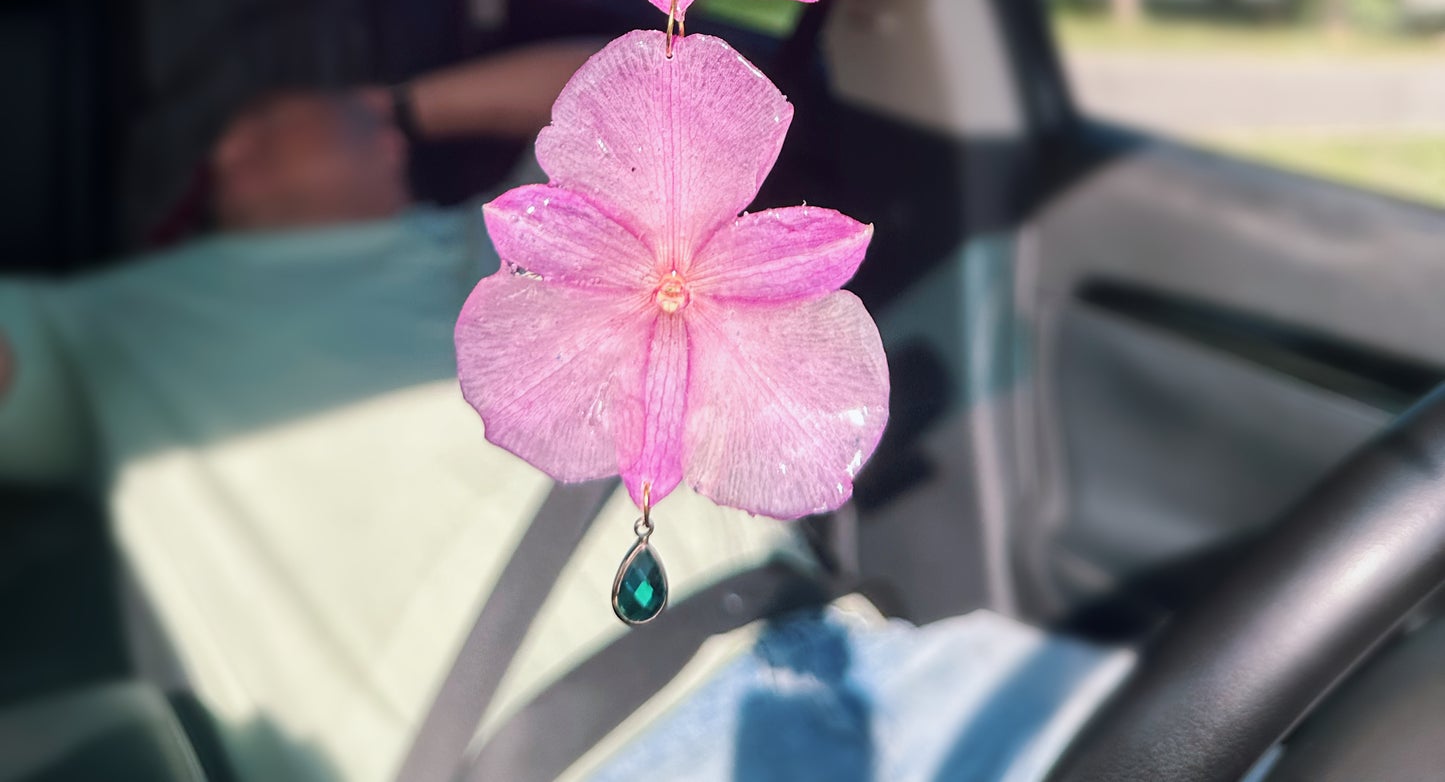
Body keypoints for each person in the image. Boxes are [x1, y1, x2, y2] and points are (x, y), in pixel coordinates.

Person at [0, 44, 1124, 782]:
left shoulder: (497, 232)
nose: (229, 145)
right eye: (278, 112)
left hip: (847, 664)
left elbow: (662, 76)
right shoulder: (104, 326)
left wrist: (391, 104)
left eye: (276, 112)